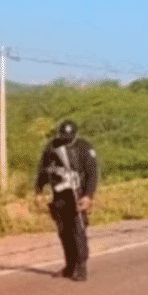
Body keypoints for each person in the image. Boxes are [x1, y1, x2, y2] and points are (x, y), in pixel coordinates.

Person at [36, 120, 99, 282]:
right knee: (64, 232)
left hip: (77, 195)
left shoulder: (84, 147)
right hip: (59, 196)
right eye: (63, 136)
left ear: (76, 135)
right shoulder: (51, 147)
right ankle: (69, 265)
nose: (66, 139)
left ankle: (81, 266)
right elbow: (43, 170)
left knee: (78, 230)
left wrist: (88, 195)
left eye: (69, 136)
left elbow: (92, 173)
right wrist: (38, 191)